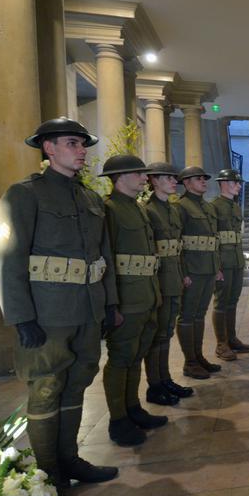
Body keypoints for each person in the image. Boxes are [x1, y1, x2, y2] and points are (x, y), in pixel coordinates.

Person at [0, 117, 118, 488]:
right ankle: (49, 475)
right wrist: (20, 316)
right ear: (48, 148)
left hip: (87, 311)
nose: (82, 151)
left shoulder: (90, 199)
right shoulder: (24, 194)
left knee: (77, 383)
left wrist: (109, 304)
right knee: (46, 388)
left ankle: (69, 459)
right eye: (72, 143)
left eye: (83, 144)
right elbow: (5, 257)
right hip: (47, 314)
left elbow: (102, 255)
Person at [99, 155, 167, 446]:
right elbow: (107, 259)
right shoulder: (109, 210)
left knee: (136, 354)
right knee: (121, 357)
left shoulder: (137, 209)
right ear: (119, 177)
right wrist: (111, 304)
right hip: (127, 298)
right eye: (138, 173)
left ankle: (132, 407)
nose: (144, 178)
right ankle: (118, 420)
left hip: (146, 294)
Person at [142, 162, 193, 404]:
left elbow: (177, 248)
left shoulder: (172, 210)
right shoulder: (149, 210)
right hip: (159, 280)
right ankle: (155, 385)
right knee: (157, 335)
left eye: (175, 178)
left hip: (173, 277)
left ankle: (165, 379)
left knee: (166, 332)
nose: (175, 181)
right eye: (169, 178)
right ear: (153, 180)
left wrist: (182, 273)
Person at [176, 166, 223, 379]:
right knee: (187, 315)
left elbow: (213, 241)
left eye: (205, 178)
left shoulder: (207, 207)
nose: (204, 181)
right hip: (192, 271)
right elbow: (177, 244)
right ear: (186, 183)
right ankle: (190, 362)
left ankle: (198, 356)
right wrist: (183, 272)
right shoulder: (181, 207)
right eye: (198, 178)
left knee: (199, 315)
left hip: (207, 269)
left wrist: (216, 267)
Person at [211, 169, 249, 362]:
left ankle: (231, 338)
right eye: (236, 182)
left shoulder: (235, 207)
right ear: (224, 183)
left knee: (232, 301)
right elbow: (212, 239)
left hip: (236, 260)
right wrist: (216, 266)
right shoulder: (214, 206)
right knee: (221, 302)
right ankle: (221, 344)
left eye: (239, 182)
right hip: (223, 262)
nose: (239, 186)